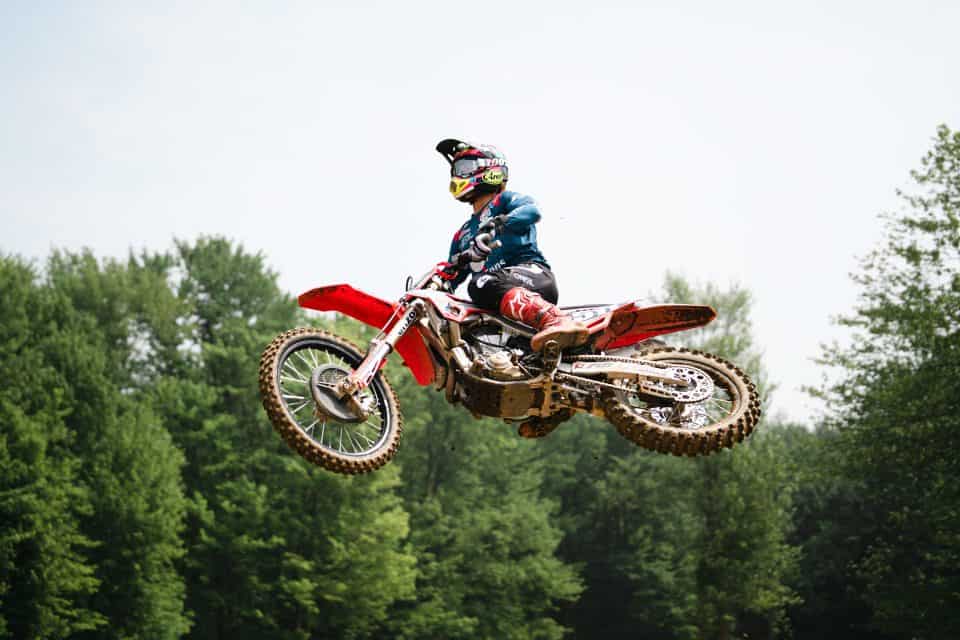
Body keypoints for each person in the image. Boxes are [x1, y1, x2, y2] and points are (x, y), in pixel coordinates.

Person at [435, 138, 588, 351]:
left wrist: (498, 224)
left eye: (464, 168)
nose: (457, 175)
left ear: (490, 170)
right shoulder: (462, 234)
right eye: (456, 170)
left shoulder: (505, 201)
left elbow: (532, 211)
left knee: (479, 284)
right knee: (464, 317)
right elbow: (450, 276)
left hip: (532, 275)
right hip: (498, 297)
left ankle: (556, 319)